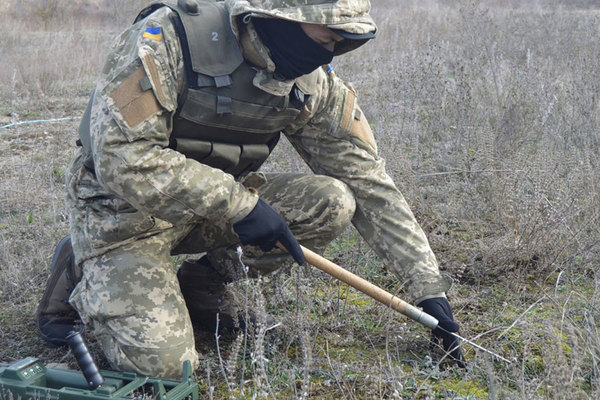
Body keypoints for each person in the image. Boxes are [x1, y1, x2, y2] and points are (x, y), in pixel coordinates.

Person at [36, 0, 465, 379]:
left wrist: (428, 289)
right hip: (121, 214)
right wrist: (240, 205)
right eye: (326, 37)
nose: (329, 53)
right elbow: (122, 158)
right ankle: (81, 258)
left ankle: (201, 286)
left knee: (332, 202)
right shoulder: (168, 39)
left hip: (209, 209)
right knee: (168, 369)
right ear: (280, 17)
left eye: (343, 44)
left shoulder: (310, 84)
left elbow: (368, 181)